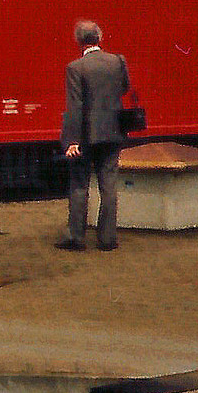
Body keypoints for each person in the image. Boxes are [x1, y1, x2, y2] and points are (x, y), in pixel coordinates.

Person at [58, 20, 131, 252]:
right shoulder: (117, 62)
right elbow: (125, 88)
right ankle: (108, 239)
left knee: (80, 184)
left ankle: (76, 237)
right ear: (101, 37)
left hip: (86, 136)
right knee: (108, 185)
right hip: (112, 132)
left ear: (79, 41)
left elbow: (75, 106)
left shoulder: (75, 68)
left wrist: (72, 140)